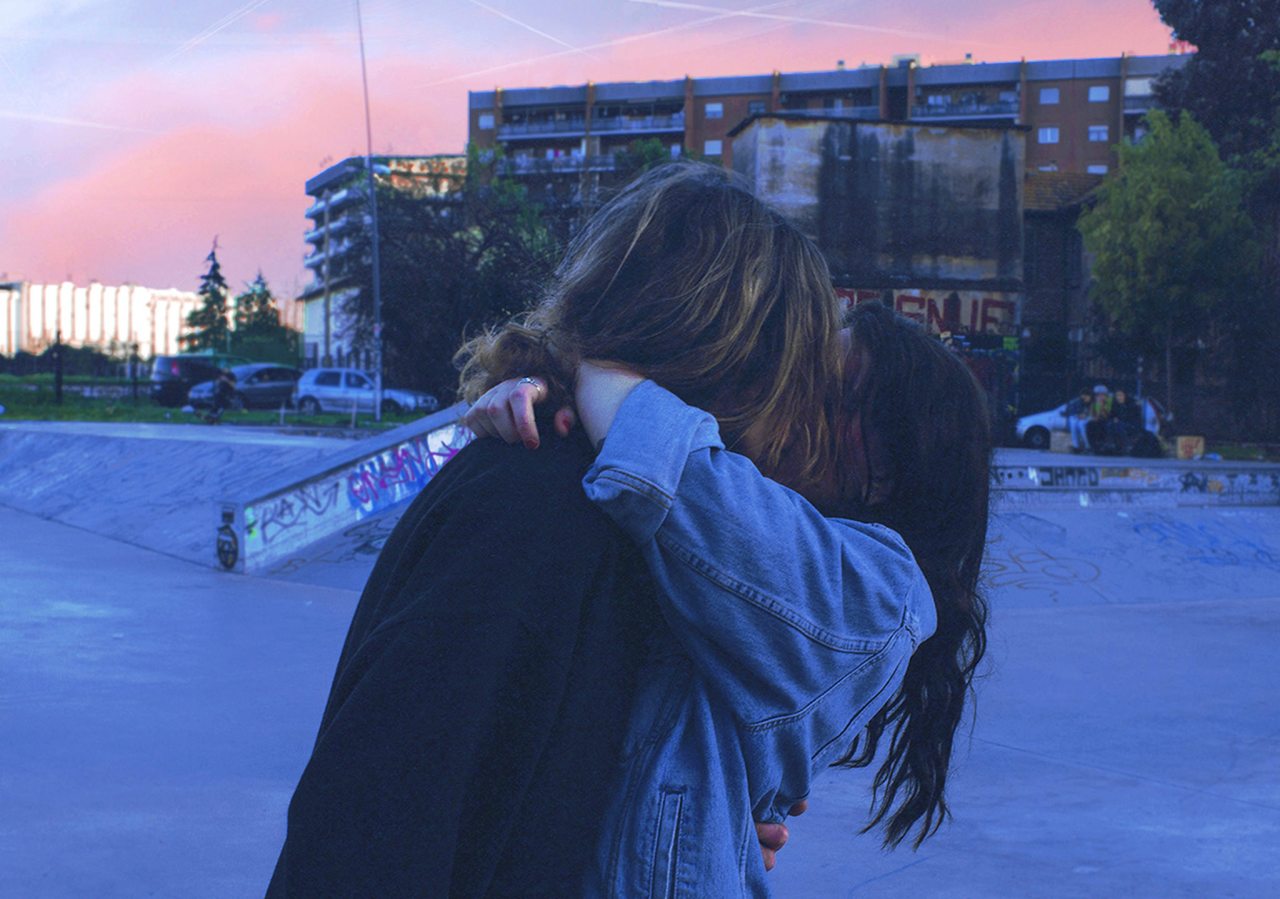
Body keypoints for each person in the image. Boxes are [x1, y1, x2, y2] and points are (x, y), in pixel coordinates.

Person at [267, 162, 845, 896]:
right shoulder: (540, 507)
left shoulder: (623, 527)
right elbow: (368, 832)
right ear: (738, 365)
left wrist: (701, 813)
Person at [466, 299, 992, 894]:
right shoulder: (719, 515)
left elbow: (658, 469)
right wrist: (539, 395)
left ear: (893, 464)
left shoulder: (880, 593)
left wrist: (576, 369)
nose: (789, 390)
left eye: (827, 388)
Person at [1063, 388, 1093, 452]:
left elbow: (1091, 413)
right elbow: (1071, 411)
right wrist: (1079, 415)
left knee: (1081, 425)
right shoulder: (1078, 402)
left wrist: (1085, 415)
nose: (1085, 398)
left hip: (1089, 418)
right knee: (1074, 423)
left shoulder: (1092, 402)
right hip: (1081, 418)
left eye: (1086, 397)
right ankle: (1076, 446)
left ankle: (1087, 446)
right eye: (1083, 396)